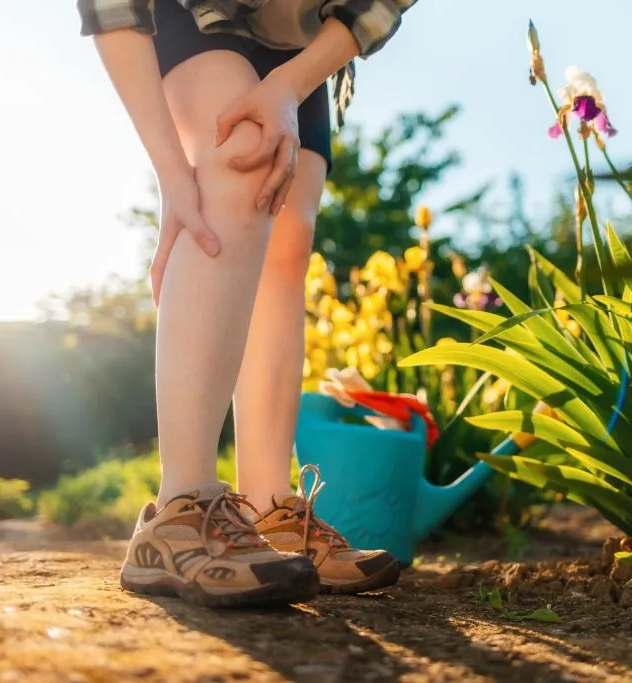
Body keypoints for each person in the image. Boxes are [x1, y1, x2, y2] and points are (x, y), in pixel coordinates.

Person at [76, 0, 417, 607]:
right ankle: (180, 513)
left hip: (302, 33)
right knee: (246, 157)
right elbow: (115, 10)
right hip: (188, 11)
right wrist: (173, 174)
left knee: (289, 235)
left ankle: (269, 508)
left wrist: (289, 84)